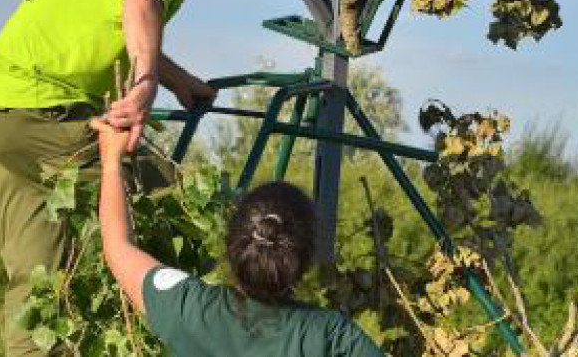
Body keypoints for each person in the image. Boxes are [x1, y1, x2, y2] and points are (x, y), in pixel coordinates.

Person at [0, 0, 259, 357]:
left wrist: (179, 80)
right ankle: (242, 330)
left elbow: (121, 18)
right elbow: (140, 0)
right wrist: (146, 83)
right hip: (38, 110)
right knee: (171, 196)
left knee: (38, 273)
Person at [92, 117, 386, 356]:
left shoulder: (188, 307)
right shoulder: (331, 335)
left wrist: (110, 162)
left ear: (231, 241)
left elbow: (117, 245)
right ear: (306, 257)